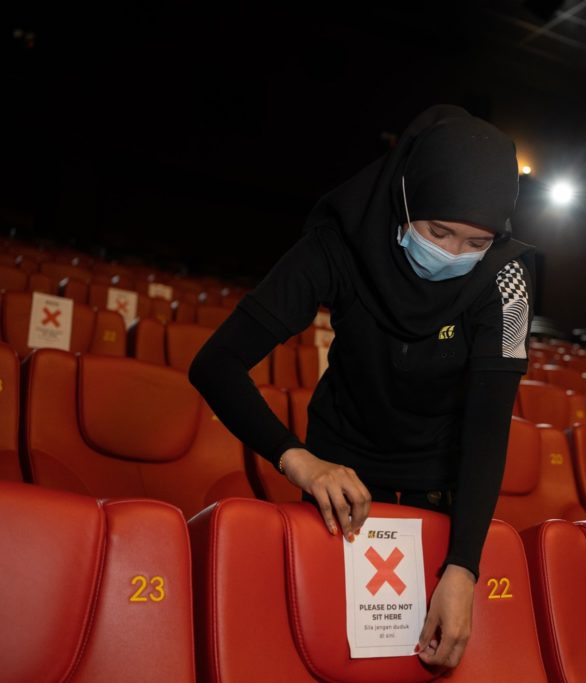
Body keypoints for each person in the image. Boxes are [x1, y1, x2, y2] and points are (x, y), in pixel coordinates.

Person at [187, 104, 533, 671]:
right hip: (338, 479)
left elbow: (488, 429)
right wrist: (298, 460)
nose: (451, 253)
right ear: (404, 200)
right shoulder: (338, 240)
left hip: (440, 488)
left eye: (475, 243)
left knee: (425, 657)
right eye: (437, 231)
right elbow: (216, 363)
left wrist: (465, 566)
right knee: (328, 652)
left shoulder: (510, 274)